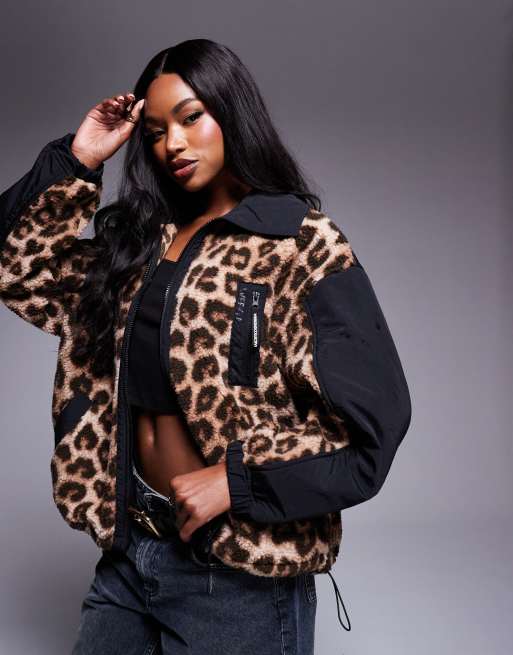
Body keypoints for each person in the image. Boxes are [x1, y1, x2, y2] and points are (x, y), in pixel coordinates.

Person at [0, 39, 412, 654]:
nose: (173, 144)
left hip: (237, 570)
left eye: (191, 117)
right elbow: (18, 269)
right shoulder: (136, 244)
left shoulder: (299, 245)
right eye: (156, 132)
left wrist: (237, 482)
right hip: (130, 550)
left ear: (232, 113)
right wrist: (79, 159)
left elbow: (371, 429)